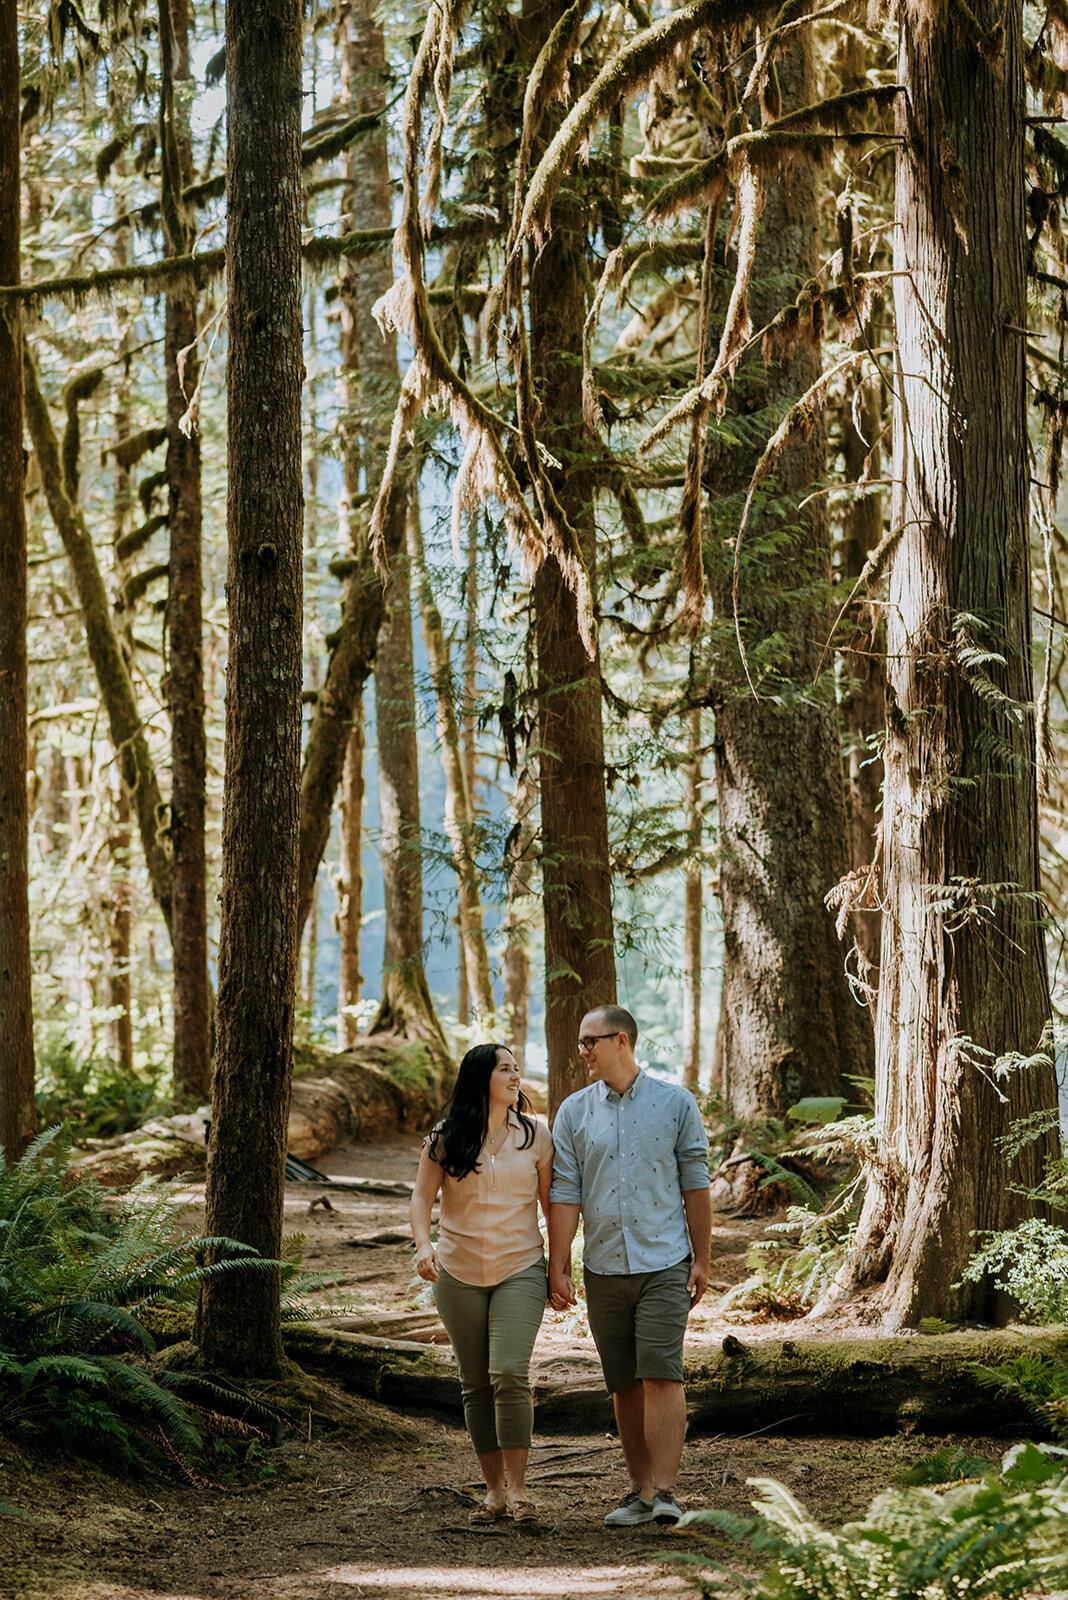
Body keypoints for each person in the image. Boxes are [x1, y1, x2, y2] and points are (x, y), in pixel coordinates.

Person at [548, 1005, 711, 1528]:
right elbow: (566, 1192)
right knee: (622, 1382)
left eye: (588, 1041)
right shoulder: (573, 1112)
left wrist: (703, 1258)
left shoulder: (675, 1103)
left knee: (661, 1373)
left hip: (664, 1260)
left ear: (621, 1040)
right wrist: (561, 1264)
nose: (582, 1052)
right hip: (603, 1267)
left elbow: (695, 1184)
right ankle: (639, 1492)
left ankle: (666, 1493)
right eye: (579, 1043)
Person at [410, 1042, 553, 1525]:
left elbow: (553, 1206)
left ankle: (520, 1491)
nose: (516, 1077)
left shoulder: (536, 1135)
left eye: (517, 1069)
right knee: (474, 1384)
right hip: (457, 1272)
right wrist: (423, 1245)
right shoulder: (446, 1136)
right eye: (505, 1070)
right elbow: (421, 1198)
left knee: (509, 1371)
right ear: (480, 1079)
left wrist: (559, 1268)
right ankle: (493, 1493)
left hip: (521, 1267)